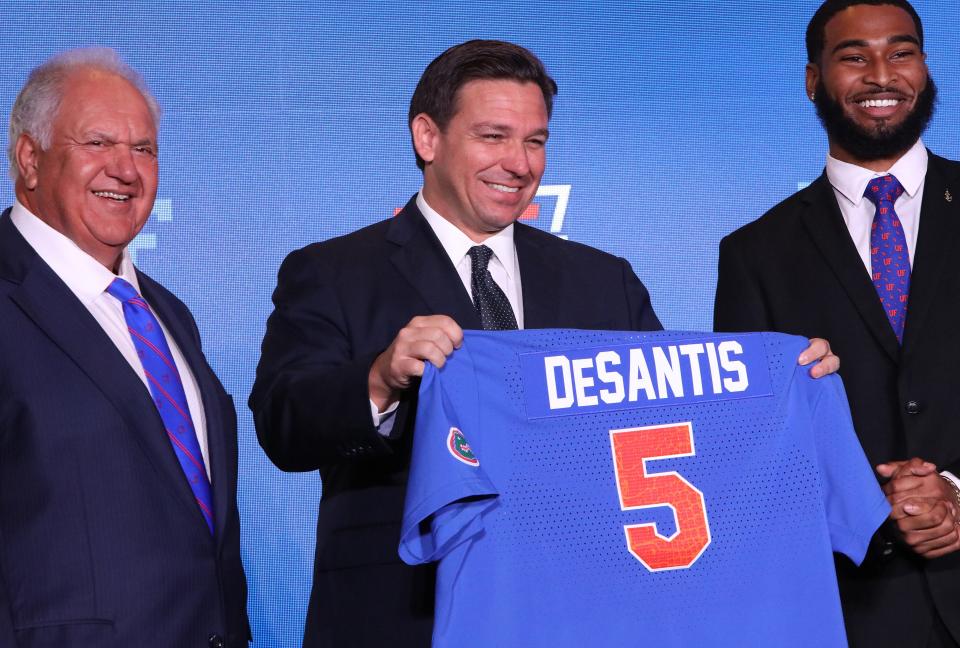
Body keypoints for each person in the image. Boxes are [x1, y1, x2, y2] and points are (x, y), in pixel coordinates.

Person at [251, 39, 836, 648]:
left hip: (585, 609)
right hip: (407, 616)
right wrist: (379, 380)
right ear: (428, 138)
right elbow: (282, 423)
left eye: (535, 141)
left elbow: (673, 421)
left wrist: (780, 386)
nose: (519, 163)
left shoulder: (603, 280)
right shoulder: (334, 271)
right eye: (493, 136)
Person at [714, 1, 960, 645]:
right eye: (854, 57)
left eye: (901, 53)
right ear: (812, 78)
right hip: (855, 609)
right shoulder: (754, 254)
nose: (882, 75)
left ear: (926, 67)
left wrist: (957, 491)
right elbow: (748, 448)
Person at [0, 48, 248, 646]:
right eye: (98, 144)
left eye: (144, 149)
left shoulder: (167, 314)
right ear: (29, 160)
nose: (127, 169)